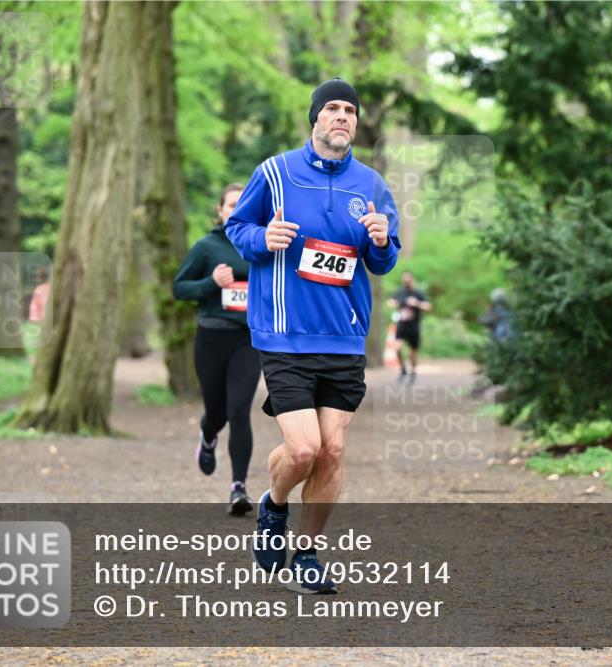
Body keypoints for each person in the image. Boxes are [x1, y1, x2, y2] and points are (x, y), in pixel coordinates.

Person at [225, 78, 400, 593]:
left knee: (333, 452)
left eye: (350, 109)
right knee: (303, 450)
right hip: (283, 334)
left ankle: (306, 553)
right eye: (332, 108)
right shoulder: (275, 173)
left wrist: (384, 241)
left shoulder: (371, 185)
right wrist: (263, 237)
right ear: (316, 119)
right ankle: (273, 509)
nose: (342, 116)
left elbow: (384, 261)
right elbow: (238, 229)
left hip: (344, 337)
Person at [173, 183, 262, 516]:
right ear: (220, 210)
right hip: (211, 338)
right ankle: (208, 434)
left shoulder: (260, 246)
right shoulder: (206, 247)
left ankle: (238, 488)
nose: (236, 210)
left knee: (239, 410)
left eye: (243, 205)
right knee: (218, 412)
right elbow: (180, 288)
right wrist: (212, 283)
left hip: (248, 341)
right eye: (231, 205)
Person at [386, 270, 431, 382]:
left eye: (408, 279)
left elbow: (428, 306)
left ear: (412, 279)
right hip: (402, 325)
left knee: (413, 351)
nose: (406, 281)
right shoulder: (399, 292)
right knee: (397, 348)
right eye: (404, 279)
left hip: (414, 326)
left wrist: (417, 303)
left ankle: (413, 372)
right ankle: (403, 369)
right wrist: (394, 303)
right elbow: (391, 302)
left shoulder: (418, 293)